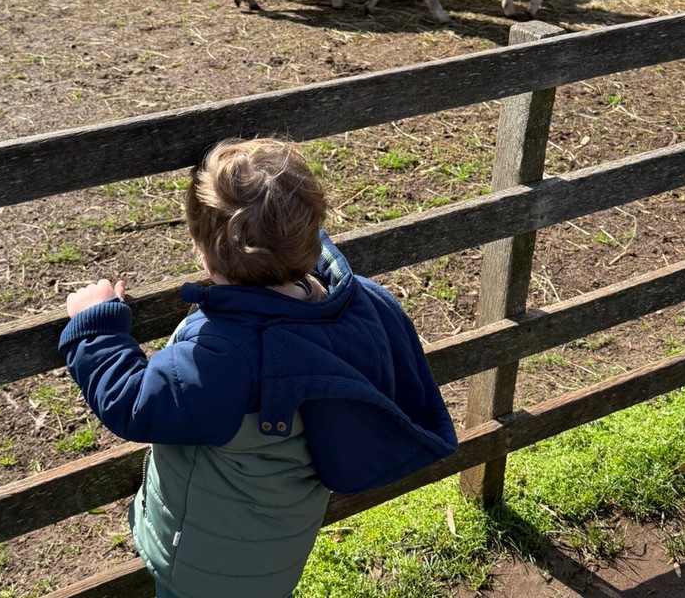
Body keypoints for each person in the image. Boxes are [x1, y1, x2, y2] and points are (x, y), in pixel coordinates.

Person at [58, 138, 458, 598]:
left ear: (205, 258)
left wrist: (96, 326)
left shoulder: (230, 353)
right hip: (277, 551)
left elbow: (133, 402)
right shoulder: (354, 303)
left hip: (205, 572)